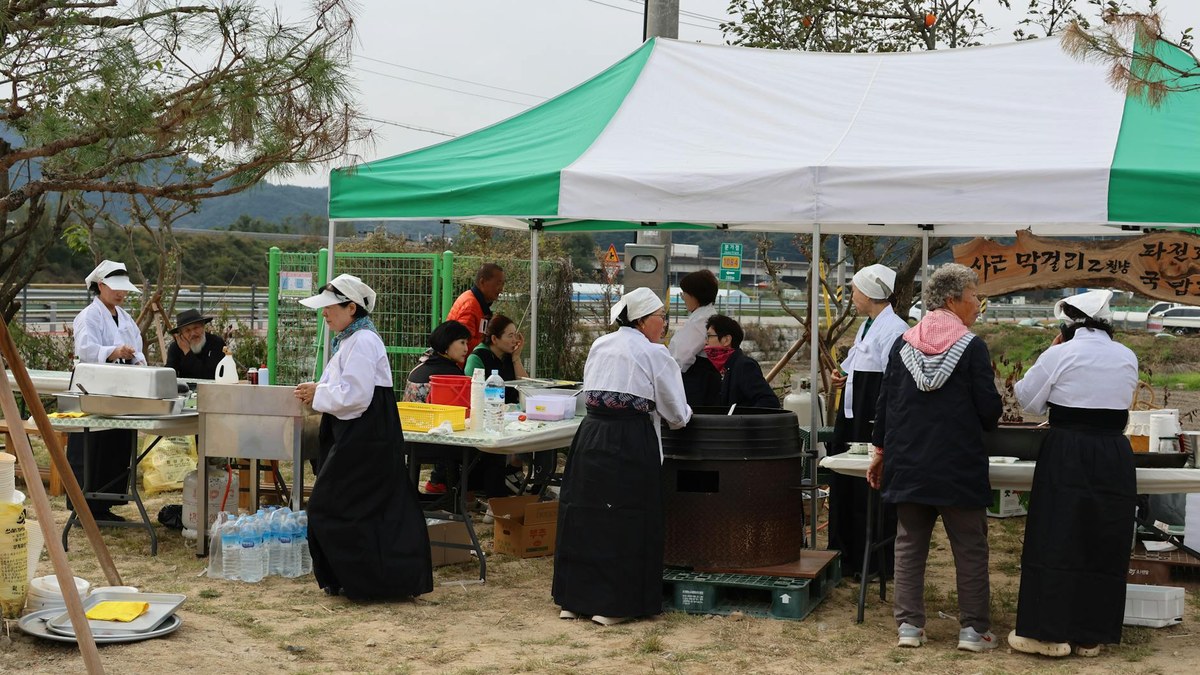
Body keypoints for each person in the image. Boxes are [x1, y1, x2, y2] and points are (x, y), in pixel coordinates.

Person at [866, 263, 1002, 653]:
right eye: (974, 295)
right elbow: (989, 411)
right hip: (958, 465)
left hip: (908, 463)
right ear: (952, 299)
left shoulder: (903, 344)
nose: (978, 304)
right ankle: (974, 632)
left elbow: (885, 405)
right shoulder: (971, 346)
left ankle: (909, 627)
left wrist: (880, 454)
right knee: (970, 548)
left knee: (909, 546)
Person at [1008, 290, 1138, 658]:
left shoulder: (1060, 352)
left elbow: (1027, 400)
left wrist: (1049, 354)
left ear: (1069, 323)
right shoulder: (1128, 355)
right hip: (1113, 449)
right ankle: (1090, 636)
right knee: (1103, 536)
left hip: (1067, 448)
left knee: (1056, 535)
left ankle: (1050, 633)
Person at [553, 287, 692, 626]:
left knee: (584, 512)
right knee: (628, 516)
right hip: (629, 438)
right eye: (662, 317)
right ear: (644, 320)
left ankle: (574, 600)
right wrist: (686, 415)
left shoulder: (601, 343)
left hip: (591, 434)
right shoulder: (654, 353)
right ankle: (615, 605)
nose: (664, 324)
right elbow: (675, 412)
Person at [293, 274, 432, 600]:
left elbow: (356, 396)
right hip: (357, 433)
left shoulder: (364, 341)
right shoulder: (350, 340)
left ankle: (368, 581)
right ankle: (357, 580)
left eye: (329, 307)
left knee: (334, 506)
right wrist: (320, 392)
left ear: (351, 307)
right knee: (360, 508)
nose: (324, 314)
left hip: (365, 436)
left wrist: (318, 392)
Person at [826, 264, 909, 580]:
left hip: (870, 414)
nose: (852, 295)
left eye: (855, 290)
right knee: (846, 487)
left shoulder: (894, 329)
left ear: (871, 293)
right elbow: (854, 366)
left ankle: (873, 562)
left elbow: (891, 378)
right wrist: (841, 376)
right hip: (851, 414)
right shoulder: (868, 326)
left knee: (867, 492)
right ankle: (846, 556)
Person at [69, 260, 145, 522]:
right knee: (92, 445)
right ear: (101, 286)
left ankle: (106, 503)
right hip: (95, 387)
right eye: (116, 288)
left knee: (116, 443)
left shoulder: (125, 317)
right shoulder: (89, 316)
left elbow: (137, 346)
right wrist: (113, 352)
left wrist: (135, 357)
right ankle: (84, 507)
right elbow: (86, 349)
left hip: (121, 387)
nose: (121, 294)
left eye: (124, 289)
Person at [404, 320, 471, 494]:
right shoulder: (452, 376)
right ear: (447, 344)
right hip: (439, 443)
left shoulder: (418, 368)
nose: (466, 349)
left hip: (409, 441)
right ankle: (464, 494)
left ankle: (437, 484)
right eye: (462, 342)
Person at [702, 314, 779, 408]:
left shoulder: (745, 366)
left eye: (709, 336)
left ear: (726, 340)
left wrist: (742, 419)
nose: (706, 342)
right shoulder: (718, 368)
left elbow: (768, 401)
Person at [668, 270, 720, 405]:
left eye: (684, 293)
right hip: (703, 380)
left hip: (697, 382)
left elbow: (681, 357)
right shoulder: (705, 315)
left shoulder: (701, 321)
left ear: (695, 295)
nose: (683, 297)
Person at [447, 263, 505, 351]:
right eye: (498, 283)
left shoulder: (478, 303)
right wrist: (493, 347)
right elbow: (464, 344)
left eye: (502, 284)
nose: (501, 289)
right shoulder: (470, 305)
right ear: (482, 282)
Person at [164, 308, 226, 379]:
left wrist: (187, 352)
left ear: (203, 327)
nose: (193, 333)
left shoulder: (216, 343)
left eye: (196, 328)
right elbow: (169, 375)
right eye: (187, 330)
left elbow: (209, 376)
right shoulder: (175, 347)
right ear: (181, 335)